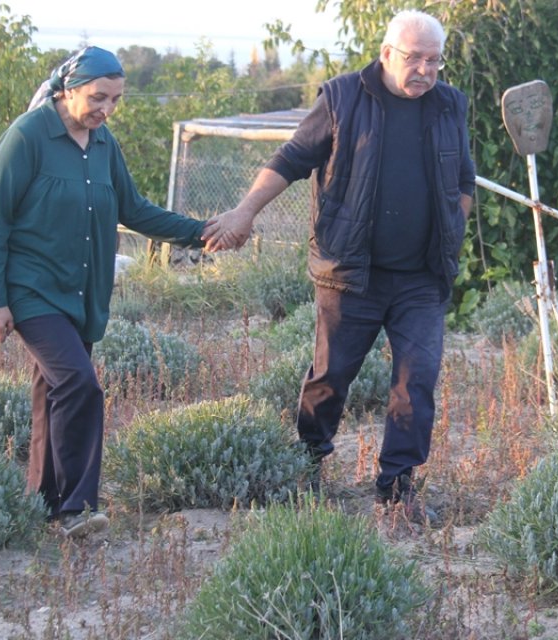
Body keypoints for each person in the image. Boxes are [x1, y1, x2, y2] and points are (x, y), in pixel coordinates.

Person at [203, 10, 475, 522]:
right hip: (351, 273)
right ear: (387, 53)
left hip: (422, 277)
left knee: (417, 379)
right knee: (331, 376)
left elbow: (464, 180)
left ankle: (397, 487)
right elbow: (289, 160)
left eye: (434, 60)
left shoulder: (449, 104)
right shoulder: (344, 97)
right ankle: (308, 463)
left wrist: (452, 232)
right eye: (414, 58)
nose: (424, 70)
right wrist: (244, 211)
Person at [0, 46, 217, 538]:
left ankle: (40, 506)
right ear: (68, 90)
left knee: (52, 390)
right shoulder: (27, 137)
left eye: (115, 100)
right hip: (31, 291)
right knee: (79, 384)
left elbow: (136, 209)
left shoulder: (104, 144)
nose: (106, 109)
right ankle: (76, 510)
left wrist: (201, 231)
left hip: (80, 294)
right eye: (98, 97)